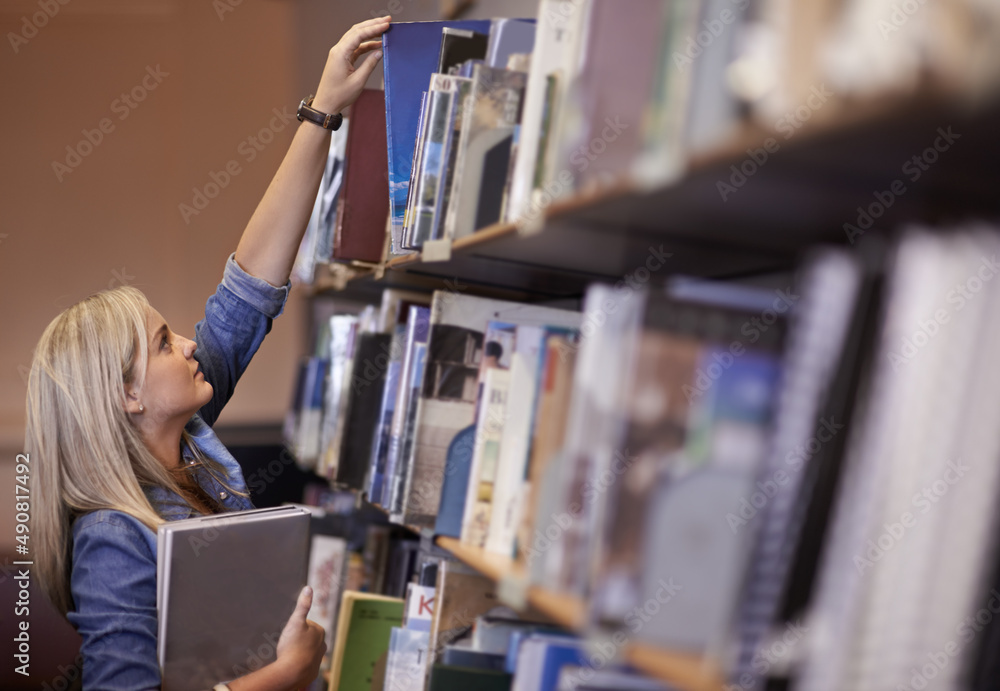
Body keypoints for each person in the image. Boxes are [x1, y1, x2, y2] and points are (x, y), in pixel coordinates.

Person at [26, 16, 391, 691]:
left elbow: (248, 292)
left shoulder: (187, 439)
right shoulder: (111, 535)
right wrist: (286, 674)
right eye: (164, 342)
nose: (190, 343)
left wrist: (323, 111)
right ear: (126, 395)